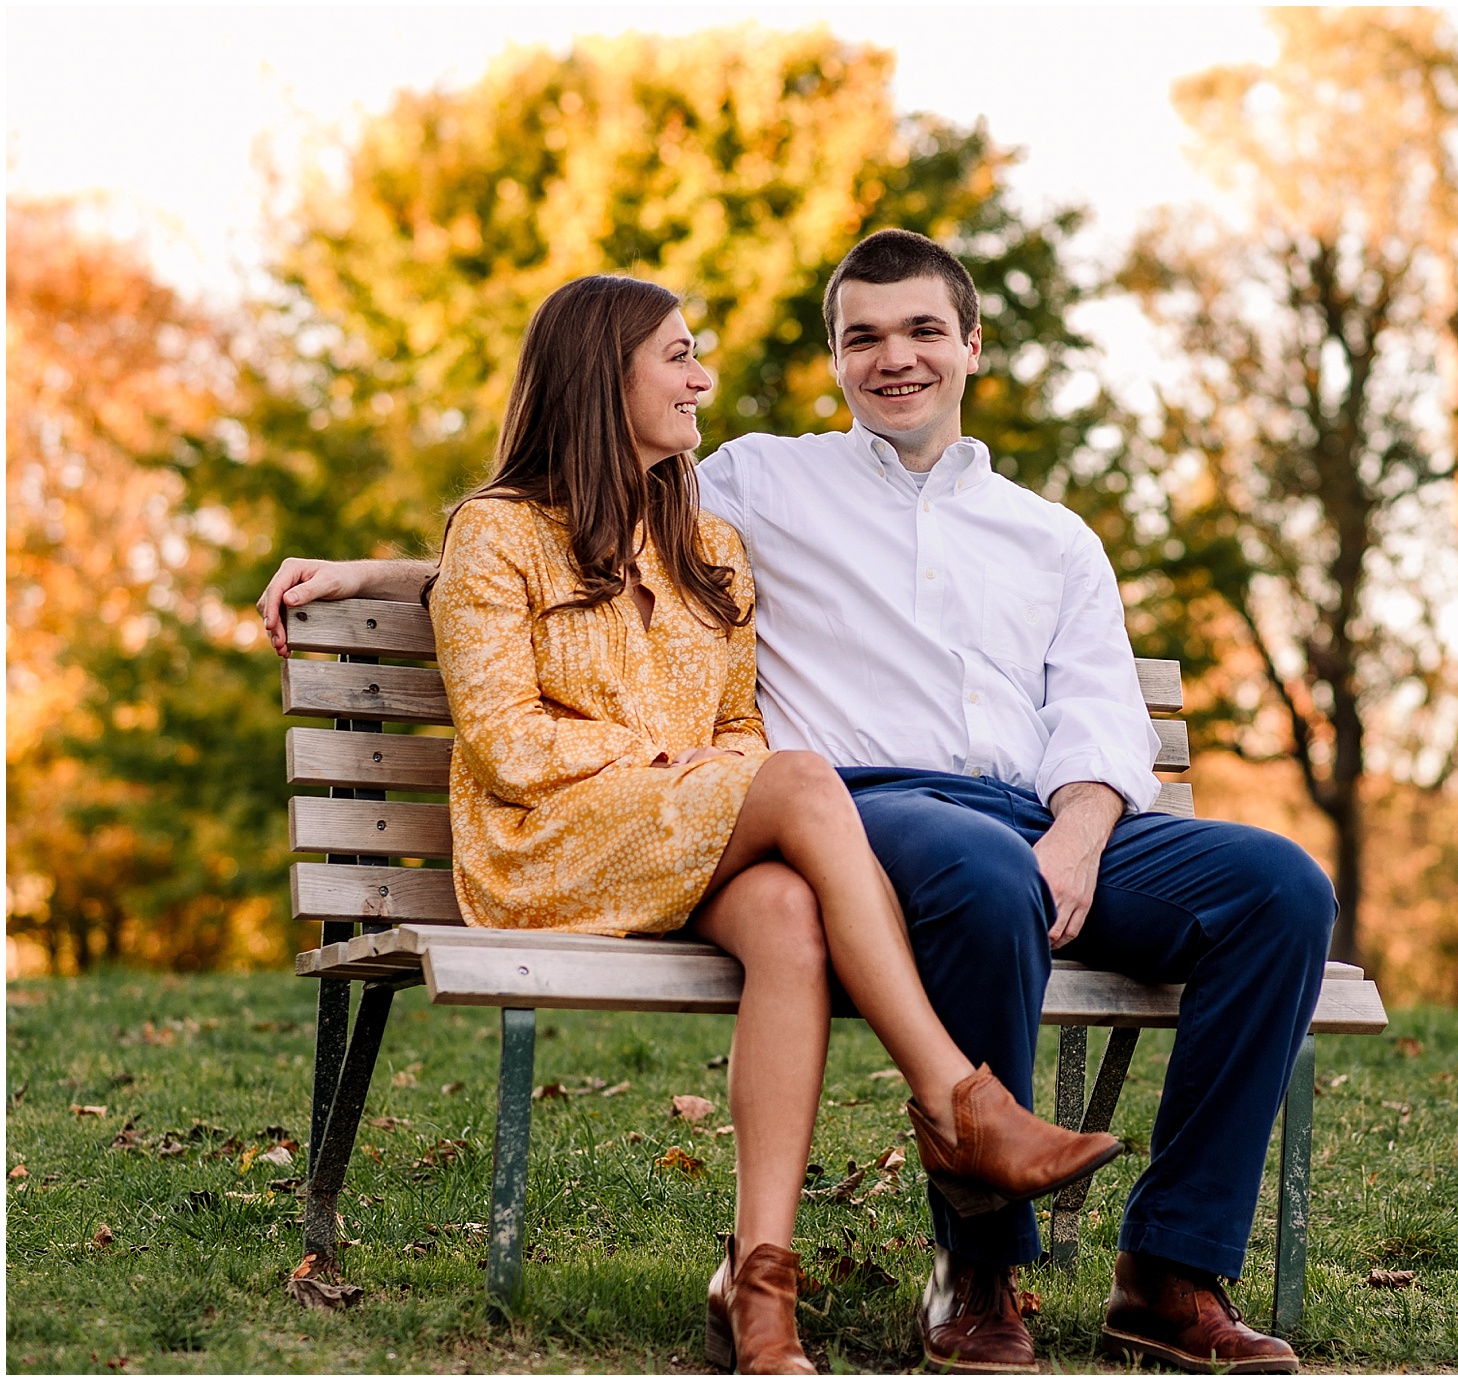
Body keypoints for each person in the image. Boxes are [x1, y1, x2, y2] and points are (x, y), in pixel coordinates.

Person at [262, 232, 1335, 1375]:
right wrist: (374, 576)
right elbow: (568, 526)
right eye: (862, 337)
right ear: (834, 360)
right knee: (979, 873)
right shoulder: (759, 480)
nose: (894, 359)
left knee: (1278, 890)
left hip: (1037, 814)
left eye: (922, 331)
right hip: (866, 807)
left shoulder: (1052, 538)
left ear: (969, 345)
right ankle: (978, 1267)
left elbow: (1097, 717)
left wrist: (1079, 836)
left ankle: (1170, 1271)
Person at [406, 272, 1119, 1375]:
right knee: (795, 781)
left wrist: (709, 774)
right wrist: (669, 765)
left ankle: (761, 1284)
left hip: (687, 832)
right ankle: (954, 1097)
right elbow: (507, 742)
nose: (704, 378)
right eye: (679, 357)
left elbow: (740, 721)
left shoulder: (709, 544)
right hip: (550, 843)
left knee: (789, 911)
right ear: (606, 378)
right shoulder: (497, 537)